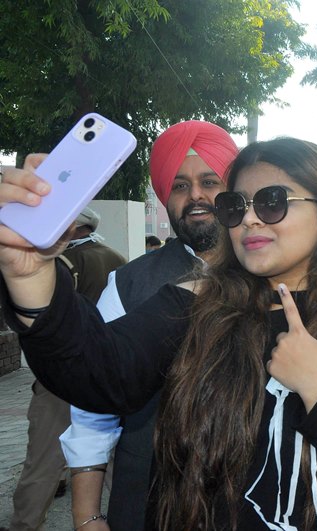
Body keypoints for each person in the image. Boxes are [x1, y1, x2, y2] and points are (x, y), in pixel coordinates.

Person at [0, 138, 317, 530]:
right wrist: (31, 277)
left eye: (272, 202)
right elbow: (97, 373)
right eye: (236, 206)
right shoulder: (194, 306)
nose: (249, 219)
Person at [58, 120, 240, 531]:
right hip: (148, 503)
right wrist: (87, 518)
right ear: (165, 198)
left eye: (210, 181)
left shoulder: (272, 272)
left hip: (251, 501)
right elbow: (92, 406)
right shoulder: (129, 283)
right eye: (179, 186)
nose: (195, 195)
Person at [7, 207, 126, 531]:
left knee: (41, 462)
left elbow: (42, 323)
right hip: (112, 374)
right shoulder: (116, 257)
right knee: (117, 460)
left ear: (71, 227)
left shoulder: (61, 263)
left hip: (65, 377)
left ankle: (24, 524)